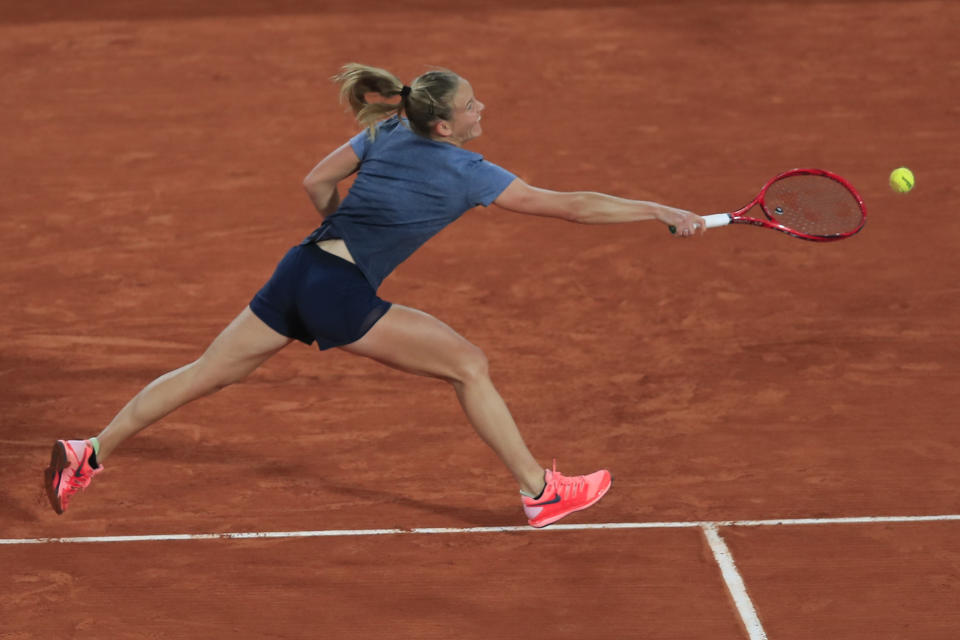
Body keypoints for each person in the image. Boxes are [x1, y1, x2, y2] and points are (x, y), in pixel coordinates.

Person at [44, 63, 705, 528]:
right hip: (338, 290)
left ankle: (91, 451)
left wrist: (340, 223)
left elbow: (316, 182)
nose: (482, 110)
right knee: (468, 364)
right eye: (472, 105)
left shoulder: (385, 132)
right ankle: (541, 492)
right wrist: (655, 207)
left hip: (299, 269)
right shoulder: (467, 170)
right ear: (444, 126)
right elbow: (570, 208)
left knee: (203, 375)